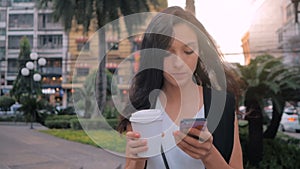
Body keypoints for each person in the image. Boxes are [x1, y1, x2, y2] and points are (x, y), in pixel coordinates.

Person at [117, 6, 243, 169]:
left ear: (199, 52)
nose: (179, 63)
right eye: (167, 53)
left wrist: (209, 154)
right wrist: (137, 160)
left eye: (188, 51)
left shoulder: (222, 104)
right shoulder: (142, 111)